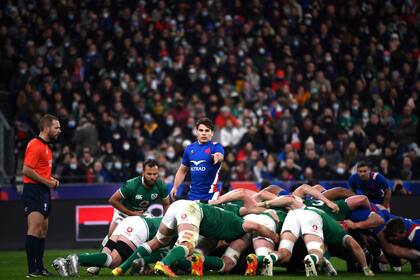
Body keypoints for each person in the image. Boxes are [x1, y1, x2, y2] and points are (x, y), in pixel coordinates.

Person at [111, 199, 278, 277]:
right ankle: (164, 264)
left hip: (179, 206)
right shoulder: (238, 224)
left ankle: (120, 268)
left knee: (155, 242)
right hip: (191, 210)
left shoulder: (225, 217)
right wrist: (272, 235)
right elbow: (254, 226)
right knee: (188, 245)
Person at [88, 159, 170, 275]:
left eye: (155, 174)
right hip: (123, 212)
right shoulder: (131, 184)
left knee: (147, 236)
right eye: (149, 174)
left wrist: (166, 220)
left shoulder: (160, 184)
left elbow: (166, 203)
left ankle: (141, 264)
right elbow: (112, 200)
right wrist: (131, 213)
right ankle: (96, 265)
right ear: (143, 173)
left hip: (141, 214)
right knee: (112, 234)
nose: (152, 177)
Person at [52, 215, 163, 277]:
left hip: (129, 221)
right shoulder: (177, 233)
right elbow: (161, 253)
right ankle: (77, 258)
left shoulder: (169, 219)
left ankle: (64, 260)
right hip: (140, 229)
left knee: (105, 258)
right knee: (114, 262)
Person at [22, 114, 61, 277]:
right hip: (33, 190)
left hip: (43, 190)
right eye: (56, 127)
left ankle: (40, 268)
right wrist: (47, 182)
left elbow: (40, 171)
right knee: (34, 228)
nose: (60, 130)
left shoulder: (47, 147)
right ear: (46, 128)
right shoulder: (35, 144)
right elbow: (27, 170)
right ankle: (32, 270)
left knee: (43, 230)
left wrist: (52, 180)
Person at [170, 118, 224, 202]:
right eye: (201, 130)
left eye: (207, 130)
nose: (204, 133)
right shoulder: (189, 149)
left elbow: (220, 156)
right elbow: (182, 170)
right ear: (196, 132)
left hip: (211, 197)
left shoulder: (216, 146)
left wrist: (217, 156)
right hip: (192, 197)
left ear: (212, 133)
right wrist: (175, 187)